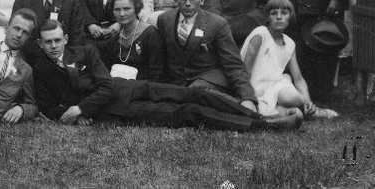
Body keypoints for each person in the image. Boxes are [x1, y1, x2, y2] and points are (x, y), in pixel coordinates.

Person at [31, 19, 300, 131]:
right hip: (119, 110)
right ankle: (261, 127)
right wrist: (75, 115)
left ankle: (259, 116)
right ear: (40, 44)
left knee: (195, 94)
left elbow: (105, 85)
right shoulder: (40, 70)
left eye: (57, 40)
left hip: (128, 88)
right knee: (188, 112)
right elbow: (49, 106)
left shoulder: (85, 53)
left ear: (65, 39)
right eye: (48, 42)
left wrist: (80, 108)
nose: (53, 46)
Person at [153, 0, 257, 106]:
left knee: (196, 91)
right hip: (177, 82)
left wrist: (247, 98)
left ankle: (239, 108)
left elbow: (234, 65)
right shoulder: (165, 20)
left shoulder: (217, 24)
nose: (188, 3)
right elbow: (159, 58)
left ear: (202, 0)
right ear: (175, 0)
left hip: (208, 80)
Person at [240, 0, 337, 119]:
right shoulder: (260, 34)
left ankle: (313, 110)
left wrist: (308, 101)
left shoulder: (289, 43)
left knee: (293, 98)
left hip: (275, 85)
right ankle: (288, 111)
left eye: (284, 13)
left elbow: (298, 78)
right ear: (268, 17)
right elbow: (246, 70)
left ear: (290, 17)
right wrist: (247, 96)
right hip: (254, 86)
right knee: (280, 110)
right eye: (274, 13)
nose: (279, 17)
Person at [98, 0, 160, 79]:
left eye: (127, 9)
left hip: (144, 85)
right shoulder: (113, 38)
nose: (122, 14)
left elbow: (157, 72)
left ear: (136, 9)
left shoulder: (151, 34)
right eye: (117, 9)